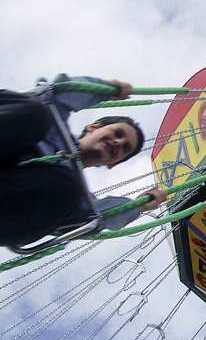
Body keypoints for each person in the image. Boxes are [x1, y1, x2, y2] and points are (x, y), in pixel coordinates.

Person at [0, 74, 167, 246]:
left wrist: (138, 206)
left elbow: (99, 215)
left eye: (125, 148)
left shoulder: (75, 196)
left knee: (70, 194)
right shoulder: (51, 123)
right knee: (36, 110)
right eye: (117, 133)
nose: (118, 143)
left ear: (113, 164)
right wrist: (104, 89)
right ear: (93, 127)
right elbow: (58, 93)